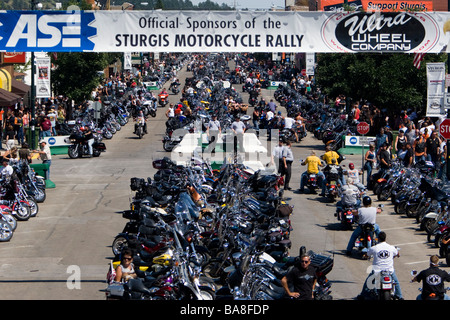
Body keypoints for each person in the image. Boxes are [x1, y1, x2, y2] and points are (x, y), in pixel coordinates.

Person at [359, 232, 403, 300]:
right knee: (396, 282)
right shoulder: (391, 247)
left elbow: (367, 254)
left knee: (368, 281)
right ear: (385, 238)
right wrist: (396, 255)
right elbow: (398, 253)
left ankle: (363, 295)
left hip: (377, 270)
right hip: (389, 270)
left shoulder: (374, 248)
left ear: (378, 239)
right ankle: (400, 296)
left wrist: (364, 256)